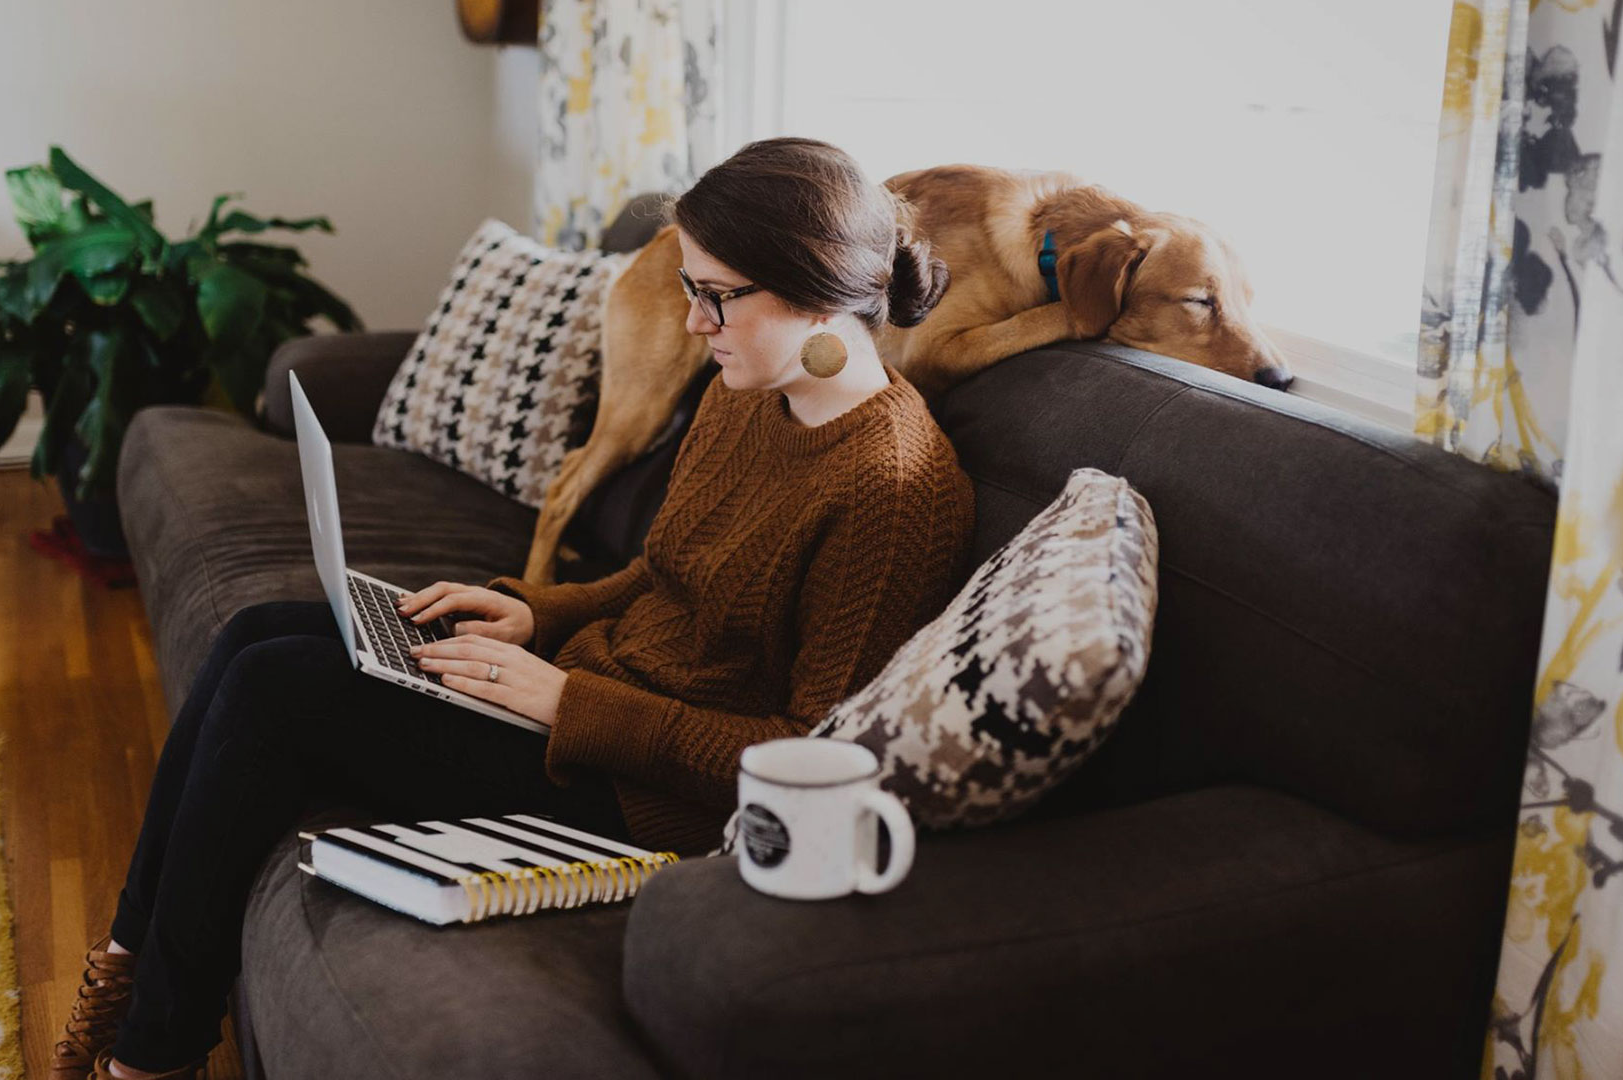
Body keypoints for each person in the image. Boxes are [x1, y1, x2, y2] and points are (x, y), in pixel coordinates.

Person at [49, 136, 978, 1080]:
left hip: (641, 798)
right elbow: (666, 572)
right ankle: (123, 972)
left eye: (716, 293)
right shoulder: (753, 390)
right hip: (577, 690)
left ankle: (150, 1058)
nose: (694, 322)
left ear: (814, 285)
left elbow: (807, 755)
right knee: (259, 631)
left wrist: (564, 704)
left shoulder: (892, 490)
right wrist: (539, 613)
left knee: (273, 690)